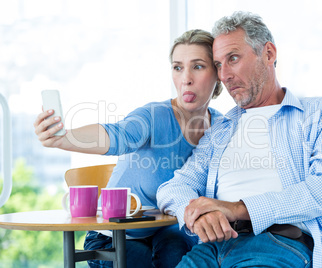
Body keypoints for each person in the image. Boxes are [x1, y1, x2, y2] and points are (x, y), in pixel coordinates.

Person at [157, 11, 322, 268]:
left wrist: (238, 208)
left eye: (233, 59)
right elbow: (173, 188)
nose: (224, 75)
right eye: (218, 64)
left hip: (280, 243)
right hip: (212, 248)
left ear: (269, 54)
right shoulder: (221, 130)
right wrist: (196, 215)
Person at [34, 29, 223, 268]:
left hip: (169, 234)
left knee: (179, 254)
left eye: (197, 66)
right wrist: (65, 138)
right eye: (177, 67)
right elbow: (118, 135)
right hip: (113, 236)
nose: (186, 78)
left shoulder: (221, 127)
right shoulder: (153, 116)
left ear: (218, 72)